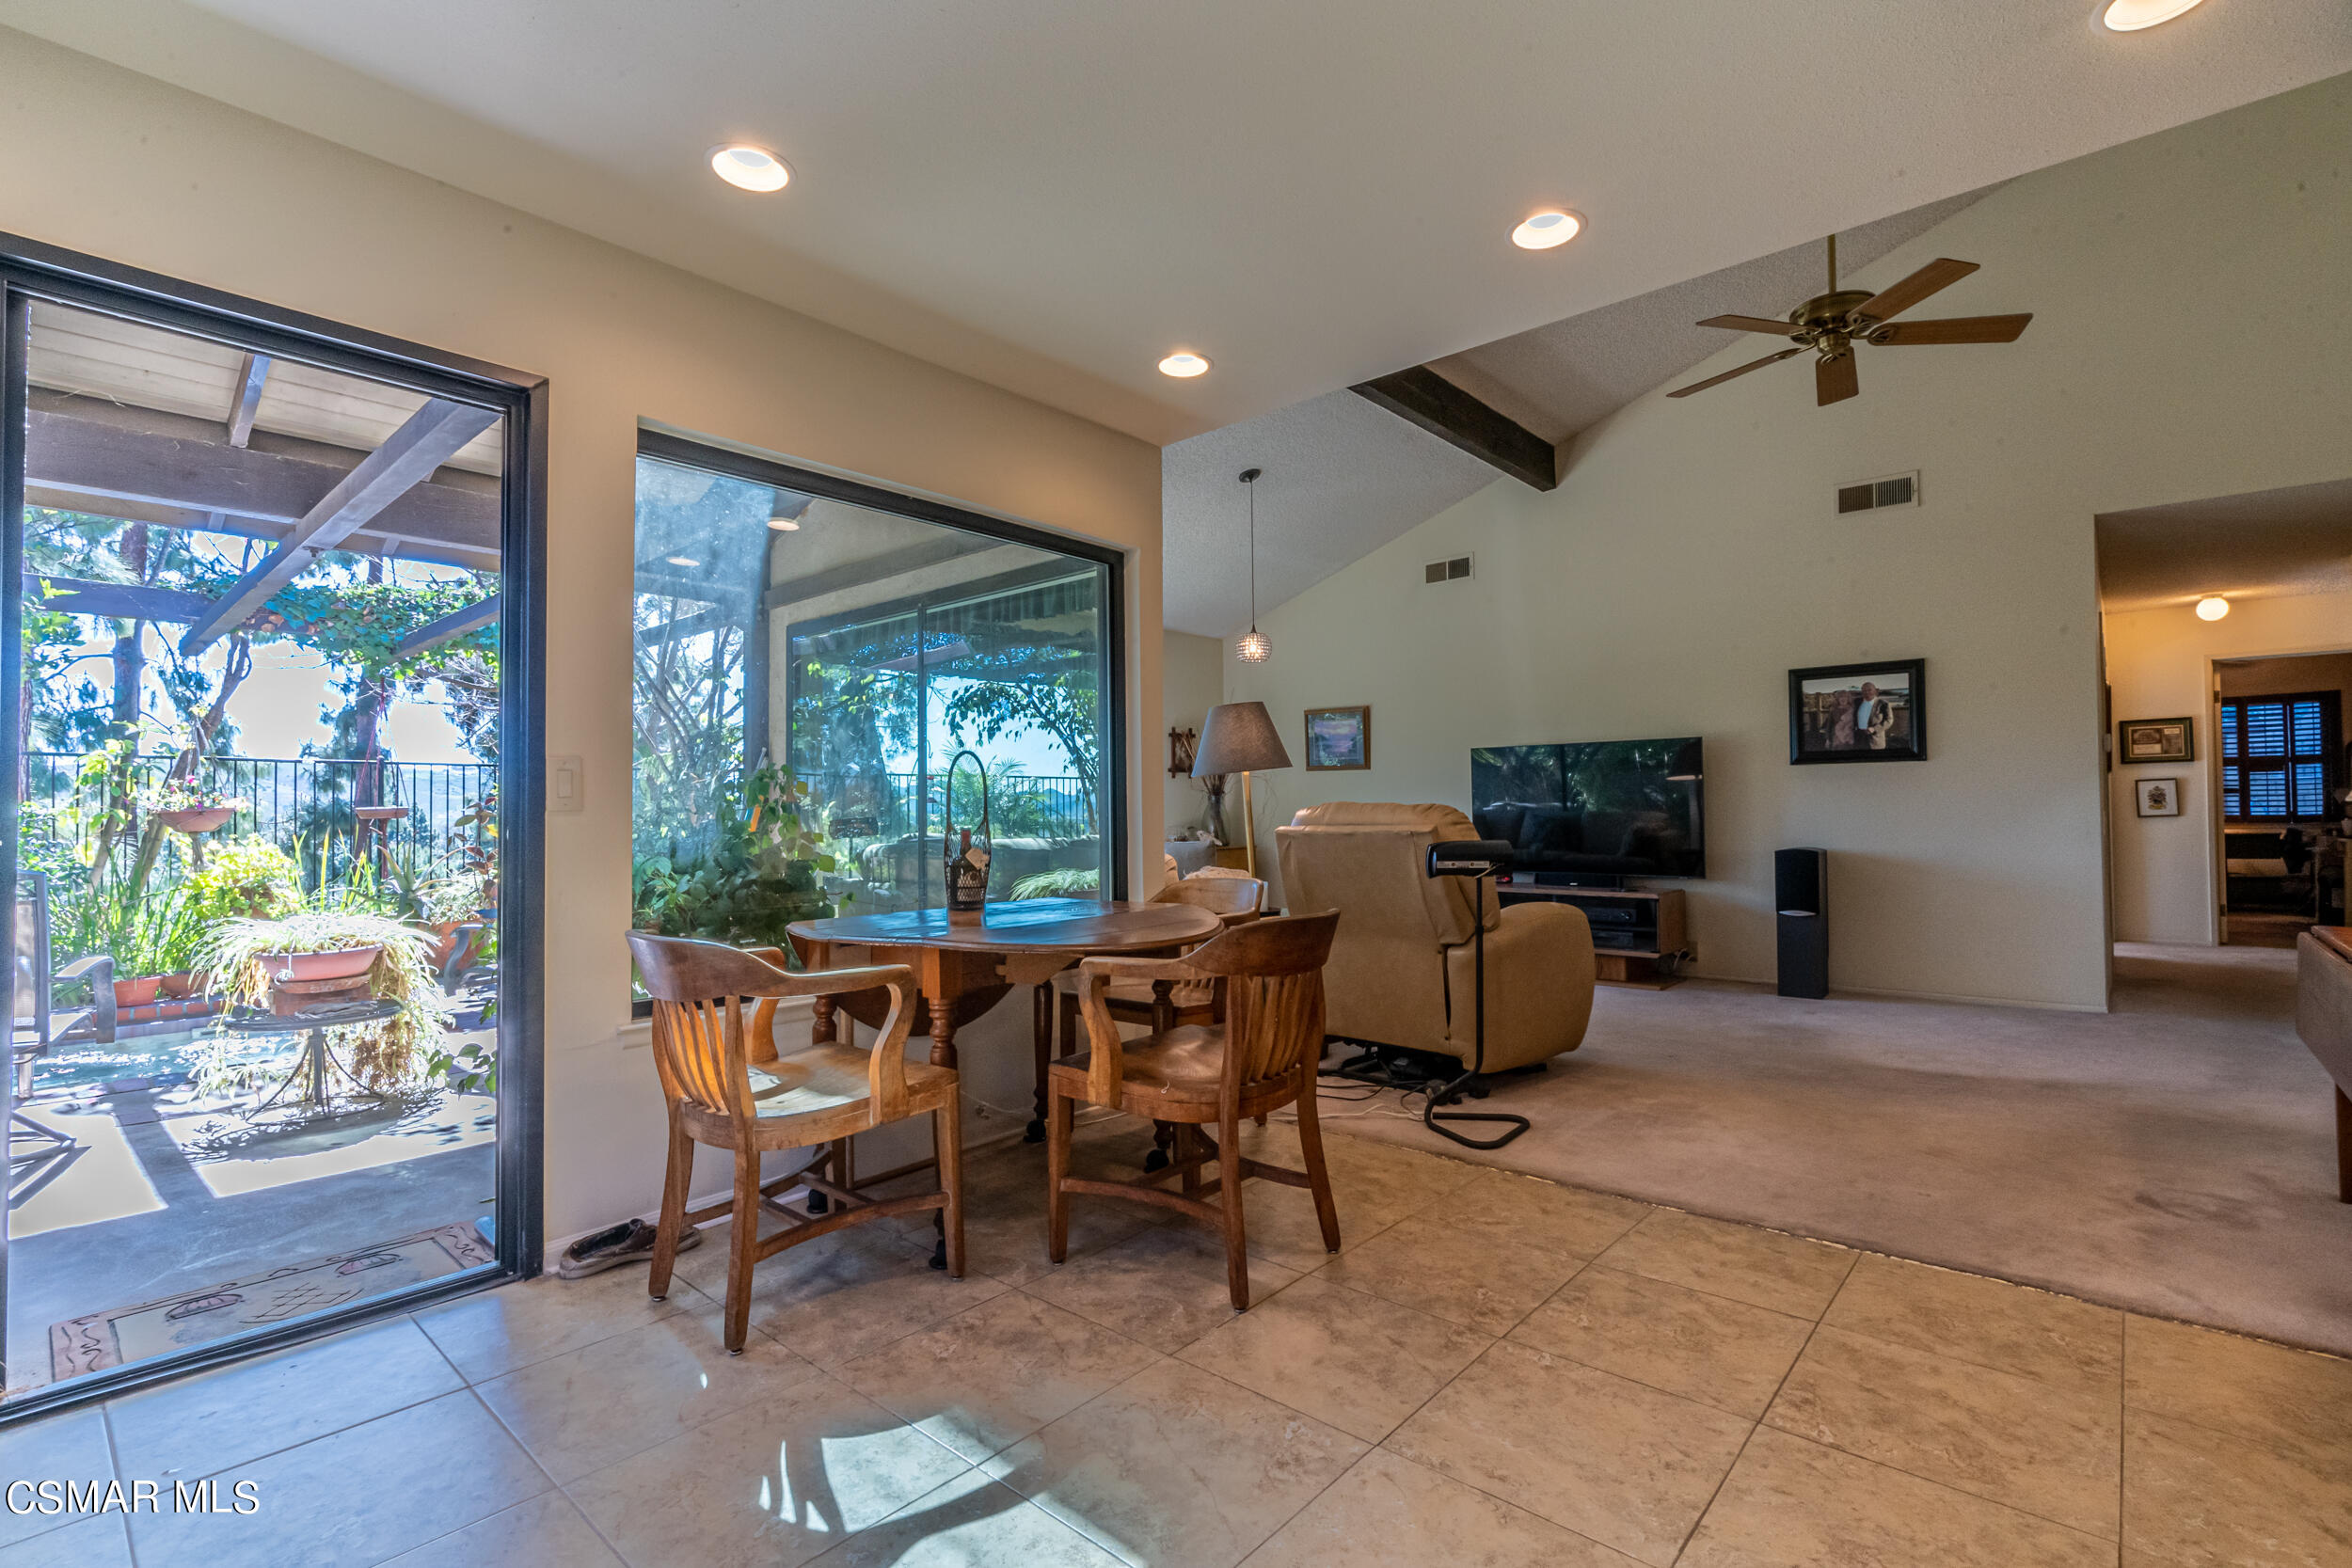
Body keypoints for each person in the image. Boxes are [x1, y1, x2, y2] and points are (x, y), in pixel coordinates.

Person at [1854, 682, 1896, 750]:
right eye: (1864, 690)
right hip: (1859, 741)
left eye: (1869, 690)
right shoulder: (1857, 702)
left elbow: (1889, 720)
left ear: (1875, 691)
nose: (1867, 692)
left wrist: (1874, 729)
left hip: (1875, 741)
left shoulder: (1883, 704)